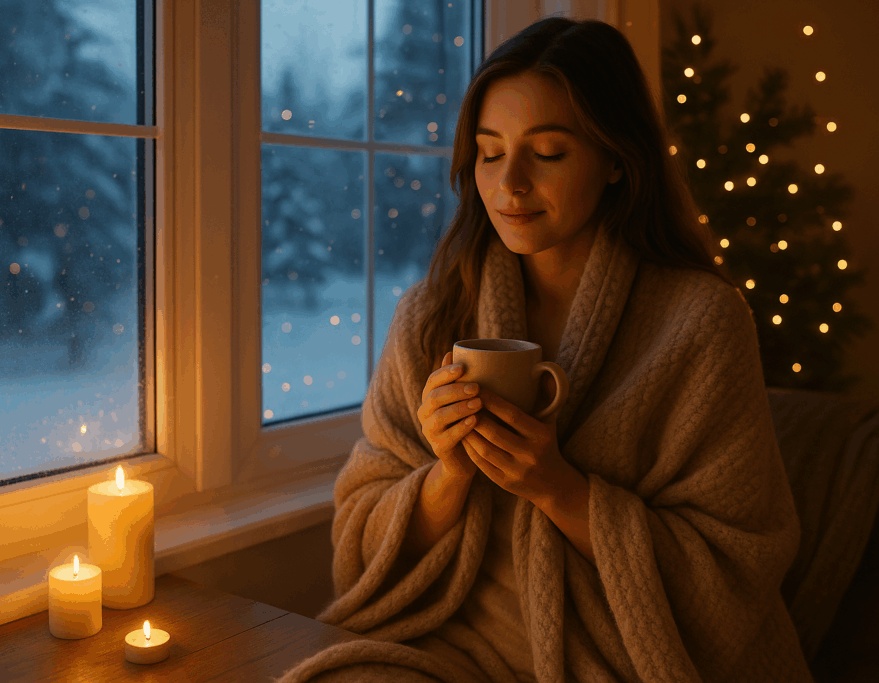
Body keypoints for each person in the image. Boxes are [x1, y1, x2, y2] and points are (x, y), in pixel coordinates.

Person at [275, 16, 814, 683]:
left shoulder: (700, 322)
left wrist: (558, 487)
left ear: (618, 159)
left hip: (623, 655)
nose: (510, 184)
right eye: (490, 151)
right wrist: (447, 474)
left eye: (549, 152)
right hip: (451, 640)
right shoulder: (431, 316)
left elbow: (736, 568)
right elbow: (357, 544)